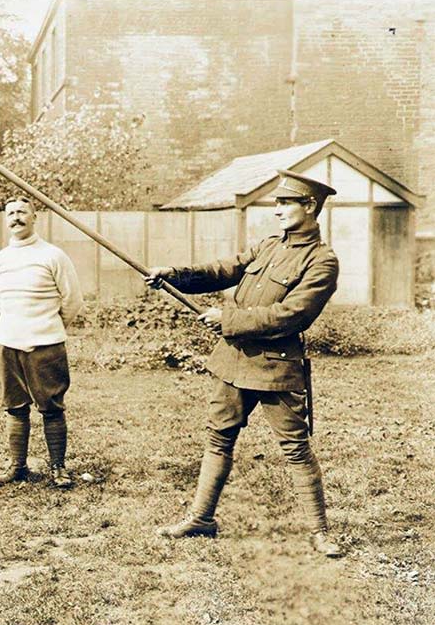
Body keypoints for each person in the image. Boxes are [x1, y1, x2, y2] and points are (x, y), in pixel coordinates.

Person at [144, 170, 343, 556]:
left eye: (287, 203)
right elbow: (224, 270)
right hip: (234, 363)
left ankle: (320, 532)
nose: (278, 210)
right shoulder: (268, 246)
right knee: (219, 437)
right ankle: (201, 518)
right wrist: (174, 276)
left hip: (276, 367)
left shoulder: (323, 261)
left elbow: (293, 315)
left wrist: (228, 320)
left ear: (310, 206)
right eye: (278, 203)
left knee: (295, 448)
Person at [0, 196, 84, 489]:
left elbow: (72, 300)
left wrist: (48, 327)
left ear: (34, 217)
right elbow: (0, 300)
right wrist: (18, 325)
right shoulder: (0, 258)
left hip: (46, 343)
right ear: (6, 220)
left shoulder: (53, 255)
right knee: (15, 407)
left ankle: (58, 468)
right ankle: (17, 466)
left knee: (51, 407)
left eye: (22, 212)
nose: (16, 218)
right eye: (11, 213)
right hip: (8, 342)